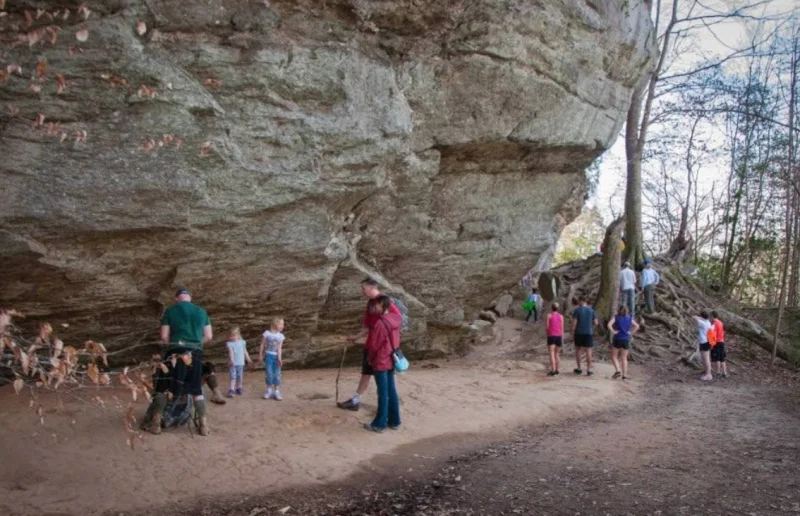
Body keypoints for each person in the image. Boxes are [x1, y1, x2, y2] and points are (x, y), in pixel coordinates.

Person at [143, 287, 213, 436]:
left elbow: (164, 336)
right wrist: (195, 344)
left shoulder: (170, 311)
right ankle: (203, 425)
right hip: (195, 353)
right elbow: (209, 336)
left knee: (163, 387)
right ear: (190, 298)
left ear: (176, 298)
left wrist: (172, 345)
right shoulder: (202, 312)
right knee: (196, 390)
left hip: (175, 352)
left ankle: (156, 424)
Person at [338, 278, 402, 411]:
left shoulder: (385, 301)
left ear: (372, 287)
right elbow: (369, 326)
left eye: (364, 288)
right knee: (366, 372)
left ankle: (391, 404)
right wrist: (355, 337)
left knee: (387, 376)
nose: (362, 291)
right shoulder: (370, 303)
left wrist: (383, 332)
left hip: (383, 348)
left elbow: (397, 319)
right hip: (372, 344)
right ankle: (355, 400)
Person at [362, 295, 402, 433]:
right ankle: (394, 420)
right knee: (391, 390)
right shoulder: (395, 319)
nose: (374, 308)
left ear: (382, 305)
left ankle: (379, 424)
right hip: (391, 358)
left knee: (383, 393)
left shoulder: (380, 323)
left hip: (381, 360)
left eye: (376, 305)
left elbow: (374, 345)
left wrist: (370, 358)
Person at [607, 305, 640, 380]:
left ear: (619, 310)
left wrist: (614, 331)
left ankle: (618, 370)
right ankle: (624, 375)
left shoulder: (616, 317)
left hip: (617, 339)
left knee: (614, 356)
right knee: (624, 358)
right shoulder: (629, 318)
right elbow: (637, 326)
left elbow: (608, 324)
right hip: (626, 339)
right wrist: (631, 333)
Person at [259, 317, 286, 400]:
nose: (282, 326)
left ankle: (276, 391)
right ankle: (269, 389)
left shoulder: (281, 336)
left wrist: (279, 358)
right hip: (268, 356)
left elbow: (279, 348)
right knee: (269, 373)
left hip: (276, 357)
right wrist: (260, 355)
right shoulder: (267, 333)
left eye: (283, 324)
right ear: (275, 324)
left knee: (277, 374)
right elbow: (262, 344)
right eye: (281, 324)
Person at [572, 297, 598, 376]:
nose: (578, 303)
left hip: (579, 333)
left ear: (582, 301)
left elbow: (574, 323)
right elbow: (596, 323)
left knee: (578, 350)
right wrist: (591, 327)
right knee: (589, 351)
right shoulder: (592, 310)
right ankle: (589, 369)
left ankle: (579, 368)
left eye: (579, 302)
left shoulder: (577, 310)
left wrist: (572, 332)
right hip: (588, 333)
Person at [226, 327, 252, 397]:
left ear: (238, 335)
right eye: (231, 336)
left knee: (240, 376)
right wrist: (231, 360)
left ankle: (239, 387)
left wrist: (248, 359)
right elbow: (231, 352)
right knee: (233, 376)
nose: (232, 337)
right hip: (233, 364)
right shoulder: (229, 344)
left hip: (240, 363)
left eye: (234, 335)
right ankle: (231, 389)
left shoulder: (242, 342)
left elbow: (245, 351)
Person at [694, 311, 714, 381]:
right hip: (707, 342)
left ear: (702, 317)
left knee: (706, 359)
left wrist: (697, 317)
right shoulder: (707, 322)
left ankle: (708, 375)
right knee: (706, 358)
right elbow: (699, 318)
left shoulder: (702, 323)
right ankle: (707, 372)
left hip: (704, 342)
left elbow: (694, 318)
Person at [546, 303, 564, 376]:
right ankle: (557, 370)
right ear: (558, 308)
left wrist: (547, 334)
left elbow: (547, 327)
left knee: (551, 353)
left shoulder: (549, 315)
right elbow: (562, 327)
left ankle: (552, 370)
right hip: (558, 336)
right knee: (557, 354)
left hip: (551, 335)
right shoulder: (561, 316)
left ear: (551, 308)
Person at [710, 311, 728, 378]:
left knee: (717, 358)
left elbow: (712, 334)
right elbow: (723, 332)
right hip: (721, 341)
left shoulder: (714, 323)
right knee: (722, 358)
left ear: (712, 316)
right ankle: (725, 373)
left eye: (710, 316)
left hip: (717, 342)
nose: (710, 318)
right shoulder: (721, 322)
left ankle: (718, 372)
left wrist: (711, 344)